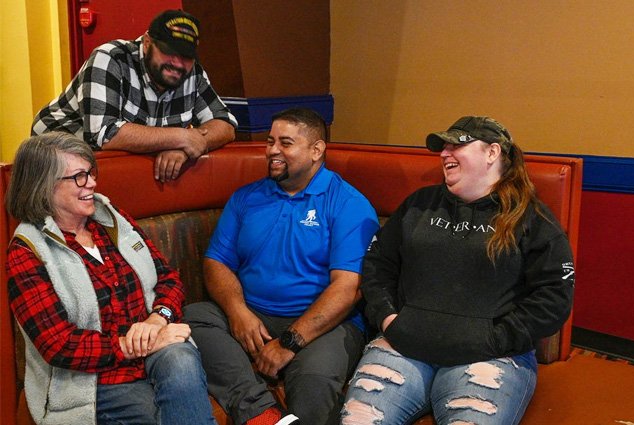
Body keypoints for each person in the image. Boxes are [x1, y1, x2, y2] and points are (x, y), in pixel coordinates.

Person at [341, 116, 575, 425]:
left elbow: (554, 296)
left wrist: (496, 338)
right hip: (404, 346)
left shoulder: (531, 218)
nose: (444, 154)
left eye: (457, 145)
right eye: (443, 147)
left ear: (492, 153)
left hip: (491, 356)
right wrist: (388, 318)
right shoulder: (418, 205)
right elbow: (378, 265)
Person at [184, 108, 379, 425]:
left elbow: (348, 288)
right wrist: (237, 312)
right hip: (254, 316)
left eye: (285, 143)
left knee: (314, 381)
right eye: (270, 141)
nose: (272, 150)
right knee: (194, 319)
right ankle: (261, 414)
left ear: (316, 150)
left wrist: (290, 342)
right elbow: (216, 262)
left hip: (323, 325)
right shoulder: (247, 197)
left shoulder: (349, 203)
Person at [5, 132, 217, 425]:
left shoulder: (112, 219)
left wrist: (158, 319)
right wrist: (132, 346)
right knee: (154, 415)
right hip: (92, 377)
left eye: (90, 172)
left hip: (157, 345)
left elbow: (168, 279)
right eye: (79, 177)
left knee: (182, 361)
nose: (91, 182)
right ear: (43, 186)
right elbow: (59, 344)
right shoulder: (27, 251)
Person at [31, 9, 238, 183]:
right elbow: (104, 133)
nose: (177, 63)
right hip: (51, 154)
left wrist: (186, 149)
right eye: (169, 51)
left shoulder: (192, 72)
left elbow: (225, 124)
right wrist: (181, 137)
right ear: (147, 43)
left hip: (103, 168)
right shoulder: (110, 58)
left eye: (186, 56)